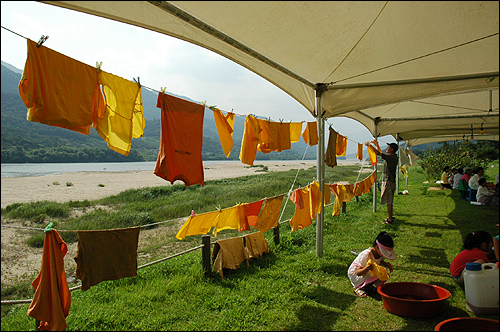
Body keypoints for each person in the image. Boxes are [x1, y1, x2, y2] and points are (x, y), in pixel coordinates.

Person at [348, 231, 396, 297]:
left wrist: (386, 264)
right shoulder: (366, 255)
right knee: (375, 274)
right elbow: (358, 272)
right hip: (357, 274)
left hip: (367, 271)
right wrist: (367, 268)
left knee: (382, 272)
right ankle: (359, 288)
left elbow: (379, 261)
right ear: (377, 248)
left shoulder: (379, 254)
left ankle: (368, 286)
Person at [365, 141, 398, 224]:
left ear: (392, 149)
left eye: (389, 147)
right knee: (389, 200)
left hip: (389, 181)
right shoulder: (392, 156)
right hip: (390, 181)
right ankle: (390, 216)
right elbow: (380, 153)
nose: (387, 148)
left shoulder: (391, 157)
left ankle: (390, 219)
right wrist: (376, 145)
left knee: (389, 201)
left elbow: (378, 153)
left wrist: (370, 145)